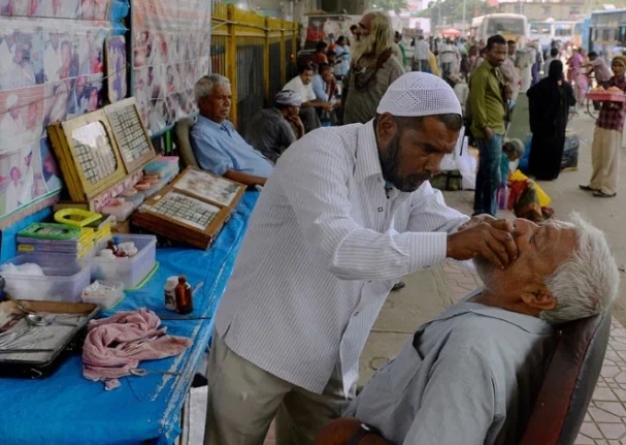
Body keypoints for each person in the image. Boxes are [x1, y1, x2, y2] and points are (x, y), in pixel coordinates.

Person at [203, 72, 519, 445]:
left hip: (329, 355)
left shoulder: (408, 179)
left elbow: (445, 225)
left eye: (443, 154)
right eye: (427, 149)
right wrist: (452, 245)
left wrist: (485, 235)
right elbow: (340, 249)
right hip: (260, 346)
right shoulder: (323, 152)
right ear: (387, 125)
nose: (434, 166)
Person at [313, 214, 620, 445]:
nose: (520, 225)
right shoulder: (510, 305)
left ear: (538, 296)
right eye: (538, 224)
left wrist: (350, 436)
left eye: (537, 239)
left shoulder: (472, 354)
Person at [190, 74, 273, 187]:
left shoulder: (225, 125)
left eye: (229, 97)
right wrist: (270, 183)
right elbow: (227, 175)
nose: (228, 103)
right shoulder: (203, 134)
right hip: (259, 190)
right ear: (202, 102)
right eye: (220, 98)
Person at [579, 56, 626, 198]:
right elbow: (603, 96)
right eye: (614, 65)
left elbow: (623, 106)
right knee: (597, 155)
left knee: (610, 157)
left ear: (625, 67)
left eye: (620, 66)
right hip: (602, 121)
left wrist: (611, 102)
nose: (616, 68)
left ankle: (609, 188)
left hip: (614, 124)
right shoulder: (610, 81)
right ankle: (595, 183)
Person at [468, 35, 508, 217]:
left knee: (486, 172)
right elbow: (476, 102)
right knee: (493, 176)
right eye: (498, 52)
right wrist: (484, 127)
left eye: (504, 53)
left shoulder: (495, 71)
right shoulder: (481, 73)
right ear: (488, 51)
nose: (501, 56)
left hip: (497, 126)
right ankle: (489, 213)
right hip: (489, 129)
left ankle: (480, 210)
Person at [342, 11, 404, 125]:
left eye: (363, 27)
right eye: (358, 26)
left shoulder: (392, 68)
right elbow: (346, 90)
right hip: (348, 131)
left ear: (377, 33)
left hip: (374, 137)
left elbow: (400, 107)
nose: (357, 31)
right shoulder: (357, 60)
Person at [527, 60, 576, 181]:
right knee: (555, 149)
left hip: (542, 125)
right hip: (558, 126)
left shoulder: (543, 84)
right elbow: (573, 101)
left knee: (540, 147)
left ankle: (538, 171)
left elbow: (530, 93)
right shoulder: (565, 86)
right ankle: (552, 173)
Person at [244, 90, 304, 165]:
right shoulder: (282, 123)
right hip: (268, 161)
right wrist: (300, 128)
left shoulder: (260, 113)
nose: (298, 110)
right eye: (297, 106)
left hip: (248, 156)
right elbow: (297, 150)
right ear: (290, 107)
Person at [283, 63, 333, 132]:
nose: (308, 78)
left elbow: (313, 99)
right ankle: (313, 133)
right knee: (310, 110)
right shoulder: (297, 82)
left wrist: (325, 104)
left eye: (310, 75)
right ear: (300, 75)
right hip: (287, 109)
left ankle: (319, 130)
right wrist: (321, 104)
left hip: (296, 107)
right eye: (306, 75)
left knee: (319, 106)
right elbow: (302, 104)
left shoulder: (308, 82)